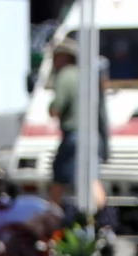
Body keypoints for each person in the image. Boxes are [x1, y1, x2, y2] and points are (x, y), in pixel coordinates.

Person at [45, 40, 107, 211]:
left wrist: (51, 108)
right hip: (93, 135)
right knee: (92, 178)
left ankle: (51, 221)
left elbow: (57, 107)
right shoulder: (86, 75)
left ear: (63, 57)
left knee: (59, 180)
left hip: (74, 136)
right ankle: (103, 220)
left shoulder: (65, 76)